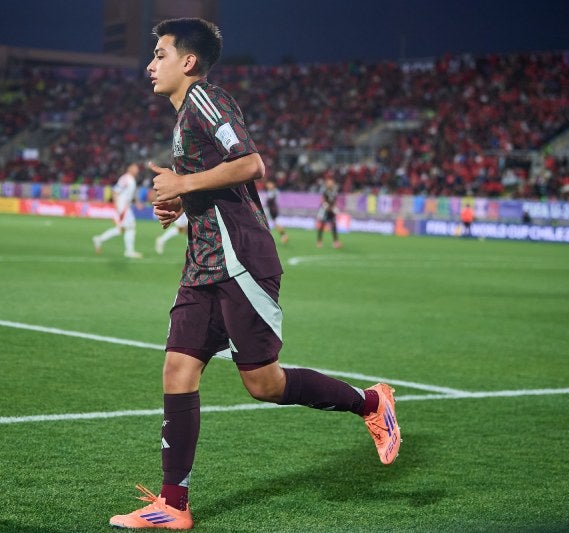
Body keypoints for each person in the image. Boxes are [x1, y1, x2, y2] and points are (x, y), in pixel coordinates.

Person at [109, 18, 401, 530]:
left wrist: (184, 182)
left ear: (188, 62)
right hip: (203, 261)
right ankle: (173, 506)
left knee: (263, 384)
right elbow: (220, 184)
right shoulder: (184, 119)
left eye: (159, 54)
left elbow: (251, 164)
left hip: (240, 258)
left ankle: (372, 403)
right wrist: (182, 199)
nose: (151, 64)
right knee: (178, 369)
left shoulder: (205, 100)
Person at [93, 163, 143, 259]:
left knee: (125, 228)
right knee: (127, 228)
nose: (137, 170)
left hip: (125, 206)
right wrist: (117, 207)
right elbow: (115, 191)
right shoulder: (125, 178)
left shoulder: (131, 180)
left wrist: (137, 202)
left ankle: (99, 239)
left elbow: (130, 194)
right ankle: (129, 251)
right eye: (135, 168)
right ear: (130, 168)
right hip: (122, 207)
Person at [316, 173, 340, 248]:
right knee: (322, 225)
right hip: (324, 210)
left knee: (334, 225)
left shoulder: (335, 191)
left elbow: (335, 200)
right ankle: (319, 241)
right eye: (329, 183)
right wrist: (326, 206)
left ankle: (335, 242)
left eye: (331, 183)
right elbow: (322, 200)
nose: (330, 184)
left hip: (331, 210)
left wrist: (335, 208)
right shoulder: (325, 191)